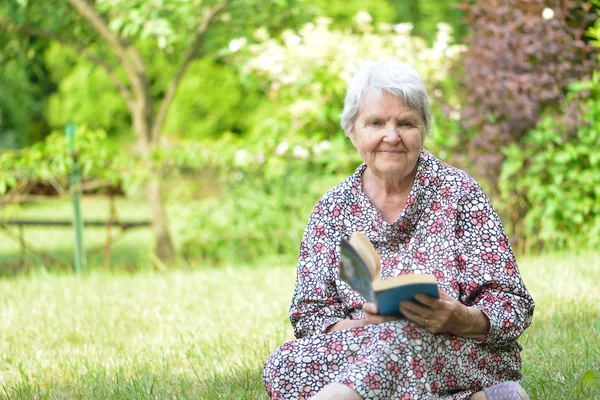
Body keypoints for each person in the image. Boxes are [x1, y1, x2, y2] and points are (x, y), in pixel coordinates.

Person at [263, 60, 535, 400]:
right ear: (352, 131)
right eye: (376, 122)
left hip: (453, 349)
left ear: (422, 130)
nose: (391, 136)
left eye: (405, 123)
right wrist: (363, 326)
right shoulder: (332, 209)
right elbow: (310, 313)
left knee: (402, 337)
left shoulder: (459, 193)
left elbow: (513, 305)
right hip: (360, 348)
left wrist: (457, 317)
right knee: (282, 362)